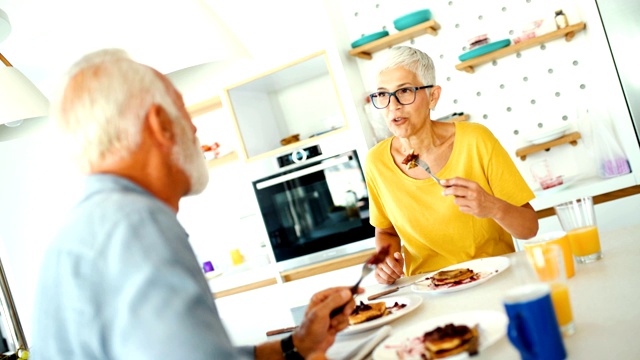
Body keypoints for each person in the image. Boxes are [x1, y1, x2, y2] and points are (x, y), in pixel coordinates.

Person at [30, 49, 359, 360]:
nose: (194, 127)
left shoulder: (87, 226)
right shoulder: (138, 223)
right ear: (161, 124)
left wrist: (297, 345)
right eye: (183, 110)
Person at [364, 46, 539, 285]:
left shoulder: (476, 139)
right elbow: (386, 232)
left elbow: (529, 229)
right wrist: (387, 261)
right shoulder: (376, 162)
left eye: (404, 91)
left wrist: (492, 207)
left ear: (433, 96)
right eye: (382, 95)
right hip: (427, 290)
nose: (392, 105)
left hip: (495, 279)